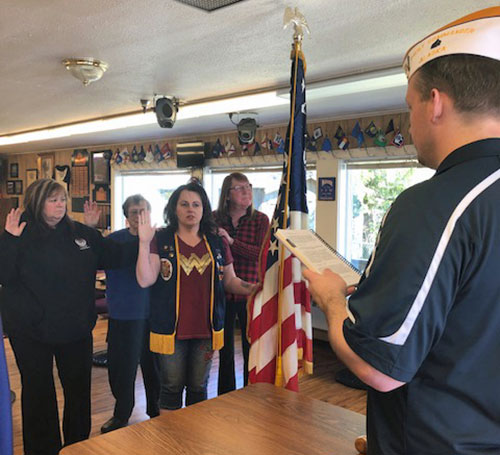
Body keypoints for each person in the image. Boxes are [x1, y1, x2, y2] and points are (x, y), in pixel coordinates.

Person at [304, 7, 500, 454]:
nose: (410, 124)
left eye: (409, 107)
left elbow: (380, 368)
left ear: (435, 103)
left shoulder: (434, 202)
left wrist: (333, 299)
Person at [0, 179, 137, 455]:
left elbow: (116, 256)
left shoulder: (81, 233)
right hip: (29, 330)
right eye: (53, 200)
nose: (60, 205)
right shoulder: (18, 233)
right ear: (37, 202)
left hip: (74, 328)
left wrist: (141, 236)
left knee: (77, 391)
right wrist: (9, 240)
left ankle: (78, 447)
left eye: (62, 199)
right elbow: (4, 275)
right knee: (39, 394)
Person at [136, 182, 255, 410]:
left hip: (206, 330)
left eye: (196, 204)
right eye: (184, 204)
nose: (190, 209)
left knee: (198, 387)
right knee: (171, 386)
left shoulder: (217, 241)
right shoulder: (160, 239)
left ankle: (192, 440)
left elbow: (230, 281)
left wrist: (256, 288)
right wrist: (143, 243)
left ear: (204, 209)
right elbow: (145, 279)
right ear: (174, 209)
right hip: (171, 330)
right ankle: (169, 440)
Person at [100, 195, 160, 433]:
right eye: (134, 212)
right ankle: (122, 413)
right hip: (123, 315)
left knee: (154, 368)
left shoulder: (160, 239)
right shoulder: (113, 241)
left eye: (143, 211)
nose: (138, 216)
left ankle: (156, 410)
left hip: (154, 315)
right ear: (126, 217)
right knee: (121, 369)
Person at [213, 173, 269, 394]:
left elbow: (260, 254)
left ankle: (250, 392)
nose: (247, 191)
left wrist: (231, 242)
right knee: (224, 348)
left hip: (250, 291)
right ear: (227, 195)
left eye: (248, 187)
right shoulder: (215, 218)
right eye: (240, 188)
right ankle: (225, 394)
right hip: (222, 292)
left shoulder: (260, 220)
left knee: (251, 347)